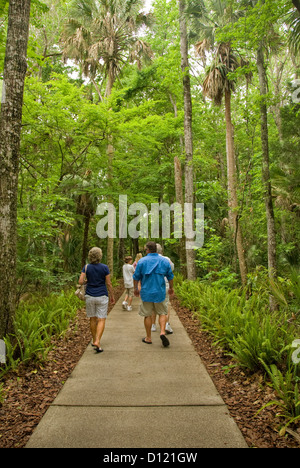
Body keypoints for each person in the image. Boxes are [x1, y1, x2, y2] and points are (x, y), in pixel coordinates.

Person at [133, 241, 174, 347]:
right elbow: (170, 276)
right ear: (156, 249)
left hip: (146, 292)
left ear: (147, 250)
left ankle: (148, 338)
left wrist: (136, 289)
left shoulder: (142, 261)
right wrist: (171, 288)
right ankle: (162, 332)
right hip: (160, 292)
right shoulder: (164, 261)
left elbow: (136, 277)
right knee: (162, 313)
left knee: (147, 315)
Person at [78, 247, 115, 353]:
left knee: (92, 319)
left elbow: (80, 281)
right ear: (100, 256)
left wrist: (87, 281)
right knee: (102, 319)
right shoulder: (104, 267)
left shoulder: (86, 267)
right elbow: (108, 283)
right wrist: (112, 295)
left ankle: (94, 339)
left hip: (90, 296)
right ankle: (98, 341)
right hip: (102, 295)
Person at [151, 244, 174, 335]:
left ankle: (153, 325)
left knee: (153, 305)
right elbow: (171, 269)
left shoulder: (149, 259)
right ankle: (166, 325)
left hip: (152, 285)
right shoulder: (167, 259)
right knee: (165, 305)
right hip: (164, 284)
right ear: (161, 251)